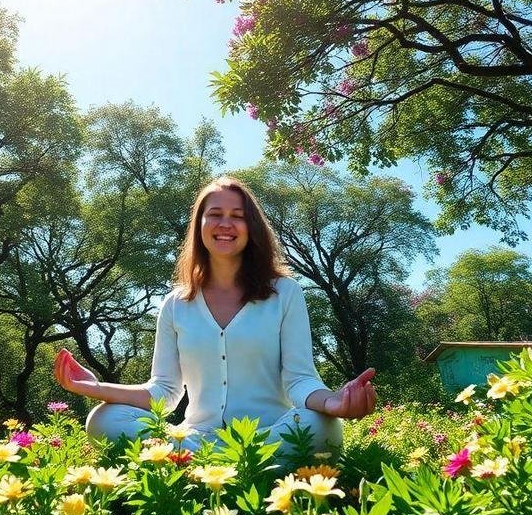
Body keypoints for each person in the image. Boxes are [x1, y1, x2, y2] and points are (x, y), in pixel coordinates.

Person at [53, 176, 377, 455]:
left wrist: (333, 403)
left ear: (251, 228)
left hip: (268, 436)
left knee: (318, 425)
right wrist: (95, 388)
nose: (226, 224)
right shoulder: (175, 304)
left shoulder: (285, 293)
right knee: (104, 419)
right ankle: (224, 466)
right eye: (215, 214)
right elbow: (163, 392)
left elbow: (300, 381)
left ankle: (204, 469)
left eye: (237, 215)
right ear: (200, 226)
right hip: (196, 440)